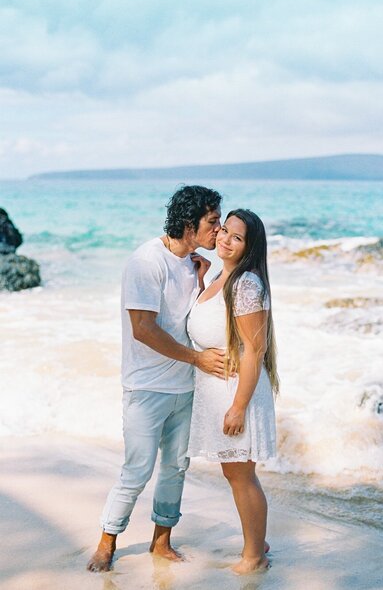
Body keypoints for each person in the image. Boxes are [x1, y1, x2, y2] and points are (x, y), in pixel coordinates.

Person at [87, 185, 224, 572]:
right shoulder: (145, 262)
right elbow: (143, 328)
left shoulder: (192, 262)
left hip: (185, 386)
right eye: (212, 223)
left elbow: (188, 321)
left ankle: (161, 542)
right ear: (188, 224)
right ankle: (107, 541)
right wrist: (197, 359)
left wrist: (201, 282)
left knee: (176, 466)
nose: (218, 230)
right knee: (137, 469)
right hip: (146, 387)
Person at [187, 208, 279, 575]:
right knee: (234, 473)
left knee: (241, 475)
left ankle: (254, 556)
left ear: (249, 247)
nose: (224, 238)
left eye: (236, 237)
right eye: (224, 230)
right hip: (220, 391)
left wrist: (239, 406)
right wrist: (200, 281)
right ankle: (258, 540)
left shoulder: (246, 284)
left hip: (237, 392)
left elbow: (255, 350)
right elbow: (211, 323)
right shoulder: (220, 279)